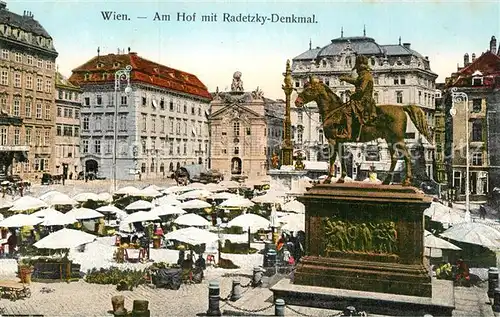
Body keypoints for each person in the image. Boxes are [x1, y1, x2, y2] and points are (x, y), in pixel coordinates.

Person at [338, 55, 377, 140]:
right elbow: (356, 82)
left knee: (346, 111)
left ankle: (347, 134)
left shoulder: (366, 76)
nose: (356, 70)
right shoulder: (364, 75)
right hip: (362, 99)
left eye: (357, 68)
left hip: (363, 100)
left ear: (360, 67)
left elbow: (361, 89)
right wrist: (345, 78)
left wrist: (352, 93)